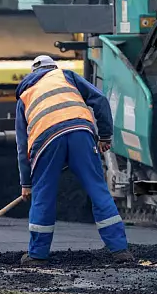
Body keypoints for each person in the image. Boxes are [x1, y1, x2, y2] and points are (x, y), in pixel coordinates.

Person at [16, 55, 133, 265]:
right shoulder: (66, 76)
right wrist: (105, 136)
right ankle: (120, 250)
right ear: (53, 67)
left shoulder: (25, 94)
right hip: (81, 132)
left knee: (43, 195)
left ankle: (37, 255)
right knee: (98, 191)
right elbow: (100, 100)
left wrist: (26, 183)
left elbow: (22, 144)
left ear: (33, 73)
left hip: (45, 141)